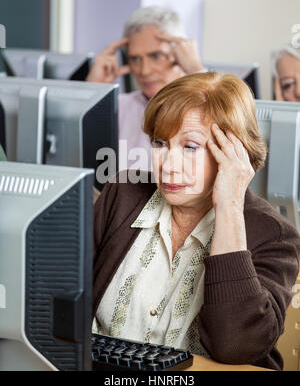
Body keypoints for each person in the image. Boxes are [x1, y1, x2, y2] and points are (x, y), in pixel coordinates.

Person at [93, 72, 300, 370]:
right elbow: (60, 296)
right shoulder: (122, 193)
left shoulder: (273, 234)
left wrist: (229, 205)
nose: (169, 166)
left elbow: (237, 347)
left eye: (190, 147)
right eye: (160, 143)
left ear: (234, 152)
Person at [86, 6, 205, 169]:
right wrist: (94, 89)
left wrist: (197, 71)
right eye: (135, 59)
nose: (144, 70)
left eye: (156, 56)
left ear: (180, 54)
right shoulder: (119, 107)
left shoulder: (202, 109)